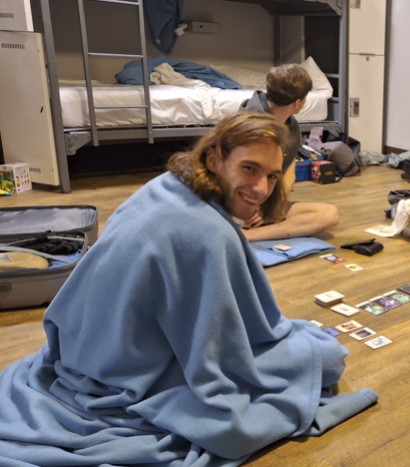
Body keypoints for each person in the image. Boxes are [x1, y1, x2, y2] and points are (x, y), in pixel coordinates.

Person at [0, 112, 377, 466]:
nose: (262, 187)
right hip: (130, 365)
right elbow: (222, 350)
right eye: (249, 169)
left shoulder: (163, 186)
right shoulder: (208, 233)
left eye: (272, 176)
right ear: (214, 159)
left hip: (86, 346)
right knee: (325, 356)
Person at [239, 63, 340, 241]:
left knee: (329, 214)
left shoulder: (290, 125)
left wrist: (271, 207)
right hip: (236, 202)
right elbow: (235, 177)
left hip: (264, 203)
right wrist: (249, 206)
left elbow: (289, 170)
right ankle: (246, 227)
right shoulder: (249, 124)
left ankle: (250, 235)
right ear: (298, 103)